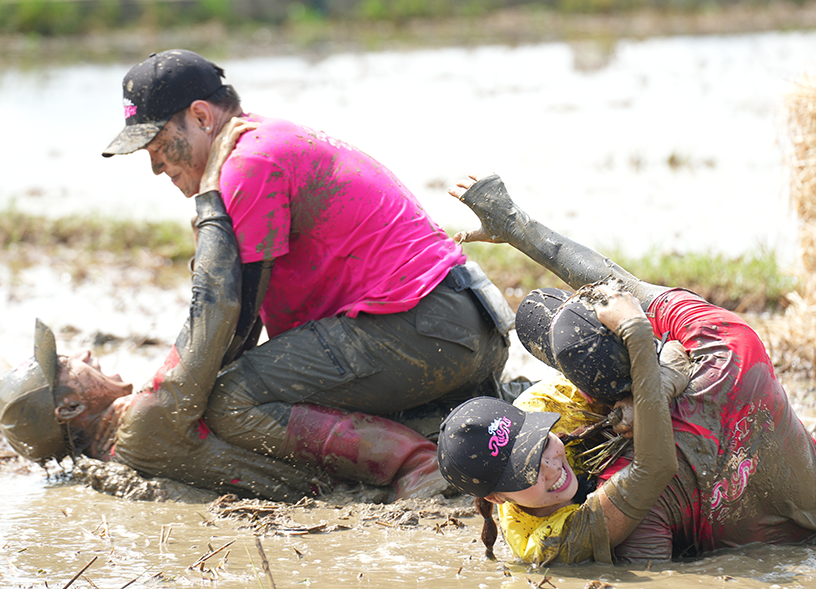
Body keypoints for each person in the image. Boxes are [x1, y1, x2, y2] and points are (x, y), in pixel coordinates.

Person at [435, 174, 816, 564]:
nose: (549, 460)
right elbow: (610, 277)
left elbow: (655, 567)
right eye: (530, 464)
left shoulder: (634, 487)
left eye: (541, 445)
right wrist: (518, 227)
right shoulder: (716, 336)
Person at [99, 50, 511, 472]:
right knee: (249, 386)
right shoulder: (267, 139)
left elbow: (227, 314)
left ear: (202, 117)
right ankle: (424, 431)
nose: (154, 166)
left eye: (158, 145)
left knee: (228, 399)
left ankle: (414, 468)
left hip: (424, 330)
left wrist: (167, 400)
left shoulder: (248, 164)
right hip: (466, 327)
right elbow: (237, 322)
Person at [0, 122, 449, 502]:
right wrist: (211, 197)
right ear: (70, 408)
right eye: (67, 365)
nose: (85, 357)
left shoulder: (134, 441)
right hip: (327, 478)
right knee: (237, 385)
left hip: (313, 460)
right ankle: (416, 464)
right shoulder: (140, 428)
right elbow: (211, 315)